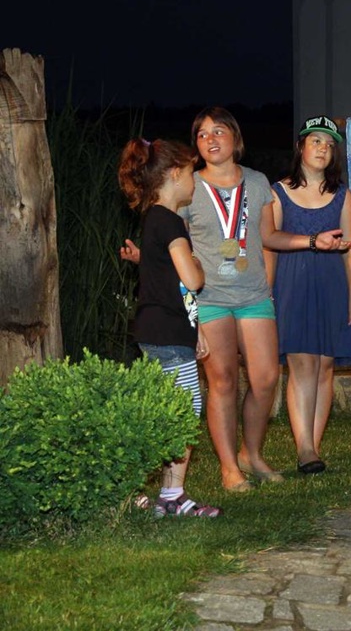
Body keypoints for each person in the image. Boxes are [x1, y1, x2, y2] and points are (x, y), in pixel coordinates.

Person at [121, 107, 349, 491]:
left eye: (218, 131)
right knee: (223, 381)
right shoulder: (188, 185)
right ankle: (229, 468)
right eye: (202, 134)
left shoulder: (258, 183)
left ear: (235, 137)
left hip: (254, 295)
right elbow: (173, 245)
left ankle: (251, 454)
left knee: (266, 378)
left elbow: (269, 237)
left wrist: (312, 241)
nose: (210, 139)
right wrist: (148, 259)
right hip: (209, 297)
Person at [118, 138, 220, 517]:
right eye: (192, 172)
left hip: (162, 331)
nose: (195, 181)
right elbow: (190, 280)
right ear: (175, 174)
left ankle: (165, 494)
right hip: (166, 333)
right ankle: (163, 493)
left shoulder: (153, 218)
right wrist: (199, 266)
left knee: (172, 411)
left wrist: (197, 330)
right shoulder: (171, 222)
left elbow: (170, 283)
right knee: (182, 413)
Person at [270, 116, 351, 475]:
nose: (322, 148)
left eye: (328, 143)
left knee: (325, 365)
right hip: (292, 284)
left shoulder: (342, 195)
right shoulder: (278, 192)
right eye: (315, 141)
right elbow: (270, 242)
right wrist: (268, 292)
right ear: (300, 147)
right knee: (301, 363)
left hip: (331, 284)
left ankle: (314, 444)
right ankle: (305, 447)